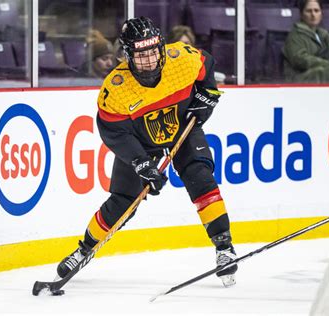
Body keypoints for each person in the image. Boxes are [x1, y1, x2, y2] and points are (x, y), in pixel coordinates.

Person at [56, 17, 238, 287]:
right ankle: (85, 249)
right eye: (141, 55)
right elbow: (113, 130)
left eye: (153, 51)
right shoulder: (116, 88)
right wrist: (141, 162)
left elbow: (206, 64)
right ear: (127, 55)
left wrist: (207, 94)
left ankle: (224, 248)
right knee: (123, 201)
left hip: (182, 128)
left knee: (200, 177)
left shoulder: (182, 58)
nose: (150, 60)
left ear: (162, 48)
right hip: (142, 142)